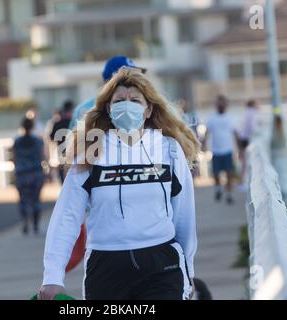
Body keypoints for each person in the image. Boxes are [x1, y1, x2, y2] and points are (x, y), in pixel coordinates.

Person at [39, 67, 200, 300]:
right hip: (106, 267)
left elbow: (184, 216)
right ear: (108, 108)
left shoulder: (169, 150)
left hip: (161, 265)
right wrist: (52, 276)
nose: (127, 105)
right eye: (119, 100)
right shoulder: (90, 153)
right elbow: (67, 216)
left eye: (135, 100)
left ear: (148, 110)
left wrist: (189, 269)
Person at [69, 55, 147, 130]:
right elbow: (75, 141)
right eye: (130, 77)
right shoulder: (85, 110)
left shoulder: (144, 104)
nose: (137, 80)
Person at [13, 116, 46, 235]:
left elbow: (14, 158)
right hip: (36, 172)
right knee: (36, 199)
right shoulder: (38, 140)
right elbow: (43, 156)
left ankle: (25, 220)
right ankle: (35, 225)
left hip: (22, 173)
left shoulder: (17, 141)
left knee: (23, 199)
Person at [203, 95, 238, 205]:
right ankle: (218, 188)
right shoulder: (212, 118)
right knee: (216, 172)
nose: (221, 106)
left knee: (229, 173)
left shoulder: (230, 118)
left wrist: (240, 147)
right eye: (219, 104)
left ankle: (229, 194)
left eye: (223, 104)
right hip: (216, 150)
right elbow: (207, 132)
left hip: (227, 150)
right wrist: (203, 144)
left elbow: (235, 133)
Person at [50, 100, 74, 184]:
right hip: (74, 153)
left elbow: (51, 137)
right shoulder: (75, 122)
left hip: (62, 153)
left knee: (63, 175)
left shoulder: (57, 123)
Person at [237, 99, 258, 189]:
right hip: (247, 138)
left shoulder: (245, 112)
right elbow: (252, 126)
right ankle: (244, 182)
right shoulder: (253, 112)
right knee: (248, 161)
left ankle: (242, 181)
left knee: (243, 161)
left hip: (242, 138)